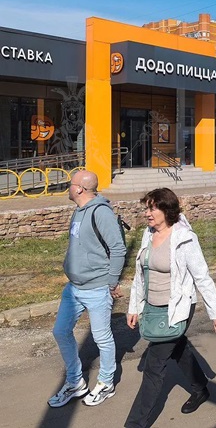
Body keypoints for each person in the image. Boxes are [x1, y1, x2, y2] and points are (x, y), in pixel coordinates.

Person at [125, 188, 216, 427]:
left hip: (178, 308)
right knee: (177, 346)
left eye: (152, 208)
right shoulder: (148, 234)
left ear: (167, 210)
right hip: (153, 307)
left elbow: (202, 277)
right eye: (147, 208)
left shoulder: (184, 238)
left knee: (153, 366)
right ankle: (200, 388)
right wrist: (133, 307)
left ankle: (135, 424)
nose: (147, 213)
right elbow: (140, 275)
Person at [48, 171, 126, 408]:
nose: (67, 187)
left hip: (97, 288)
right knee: (61, 331)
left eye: (70, 184)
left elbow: (118, 248)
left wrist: (112, 282)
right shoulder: (78, 211)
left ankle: (106, 383)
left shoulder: (101, 212)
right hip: (73, 288)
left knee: (102, 338)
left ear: (79, 189)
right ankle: (75, 382)